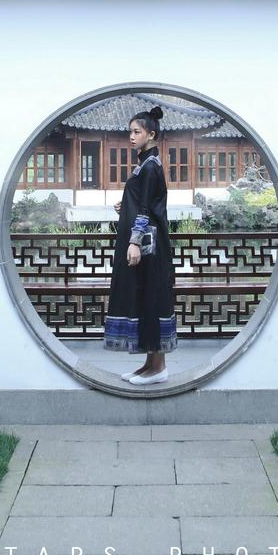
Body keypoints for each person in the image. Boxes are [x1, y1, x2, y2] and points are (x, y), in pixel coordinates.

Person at [103, 105, 177, 384]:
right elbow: (144, 202)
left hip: (149, 248)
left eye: (136, 132)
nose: (131, 137)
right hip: (149, 245)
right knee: (146, 299)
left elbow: (146, 209)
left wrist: (134, 242)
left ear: (151, 134)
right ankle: (149, 365)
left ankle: (158, 368)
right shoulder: (145, 164)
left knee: (152, 300)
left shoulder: (150, 167)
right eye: (130, 132)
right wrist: (125, 204)